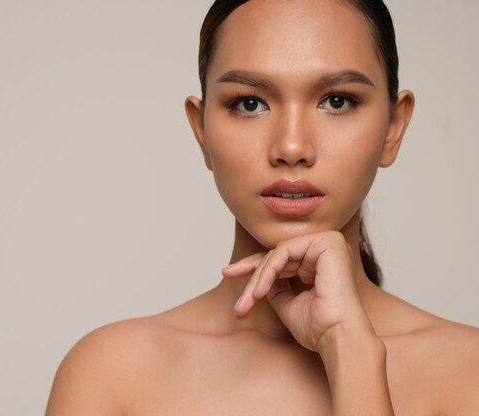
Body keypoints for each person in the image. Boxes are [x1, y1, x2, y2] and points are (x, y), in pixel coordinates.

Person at [45, 0, 479, 414]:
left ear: (393, 127)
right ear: (202, 132)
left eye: (337, 101)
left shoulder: (466, 371)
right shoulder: (109, 374)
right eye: (250, 103)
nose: (292, 147)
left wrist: (351, 353)